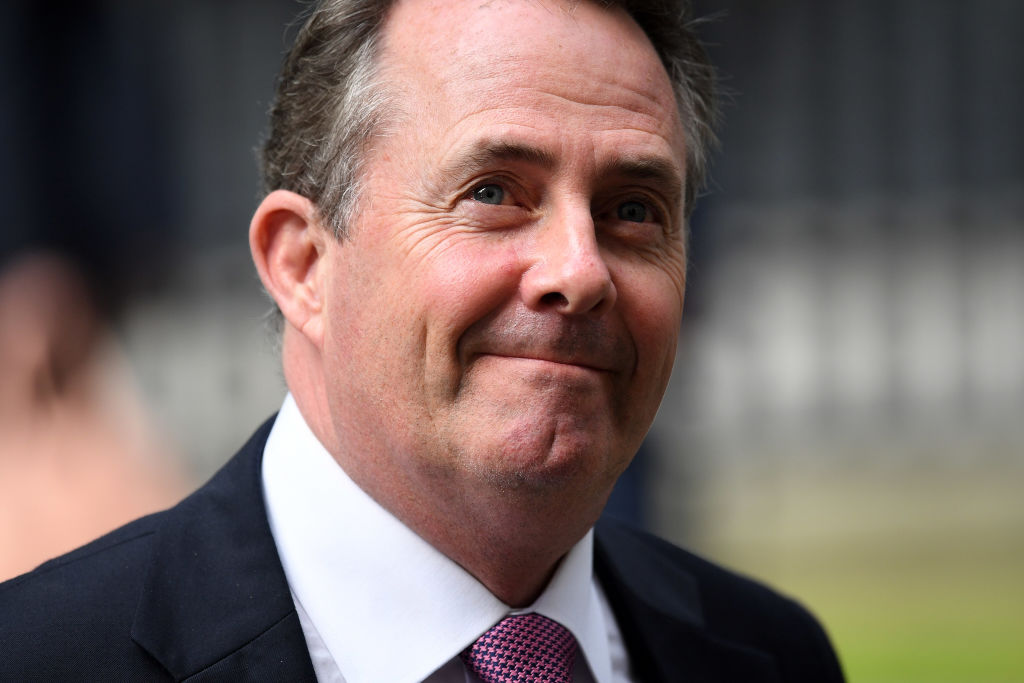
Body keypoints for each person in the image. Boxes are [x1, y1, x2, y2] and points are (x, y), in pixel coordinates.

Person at [0, 0, 845, 681]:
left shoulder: (771, 655)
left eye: (632, 210)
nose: (581, 270)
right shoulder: (42, 659)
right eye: (494, 193)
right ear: (303, 265)